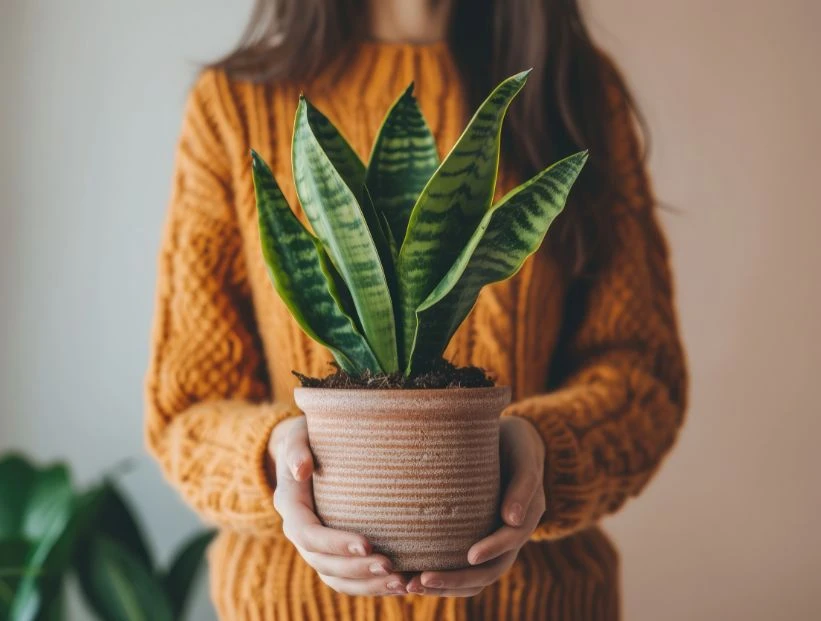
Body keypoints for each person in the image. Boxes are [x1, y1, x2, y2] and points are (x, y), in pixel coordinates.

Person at [145, 0, 687, 619]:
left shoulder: (573, 88)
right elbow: (186, 411)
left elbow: (643, 378)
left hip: (537, 603)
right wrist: (280, 460)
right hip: (295, 605)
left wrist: (542, 449)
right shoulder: (236, 103)